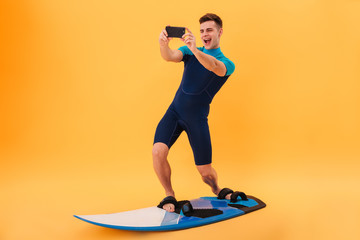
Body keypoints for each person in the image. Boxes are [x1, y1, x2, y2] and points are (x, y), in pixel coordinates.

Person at [153, 13, 246, 212]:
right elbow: (170, 56)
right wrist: (163, 44)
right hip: (174, 112)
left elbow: (213, 66)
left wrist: (195, 49)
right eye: (202, 30)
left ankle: (217, 189)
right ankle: (169, 194)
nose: (205, 34)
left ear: (220, 32)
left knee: (205, 174)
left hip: (196, 119)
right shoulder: (188, 51)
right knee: (157, 151)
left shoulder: (227, 63)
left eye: (209, 30)